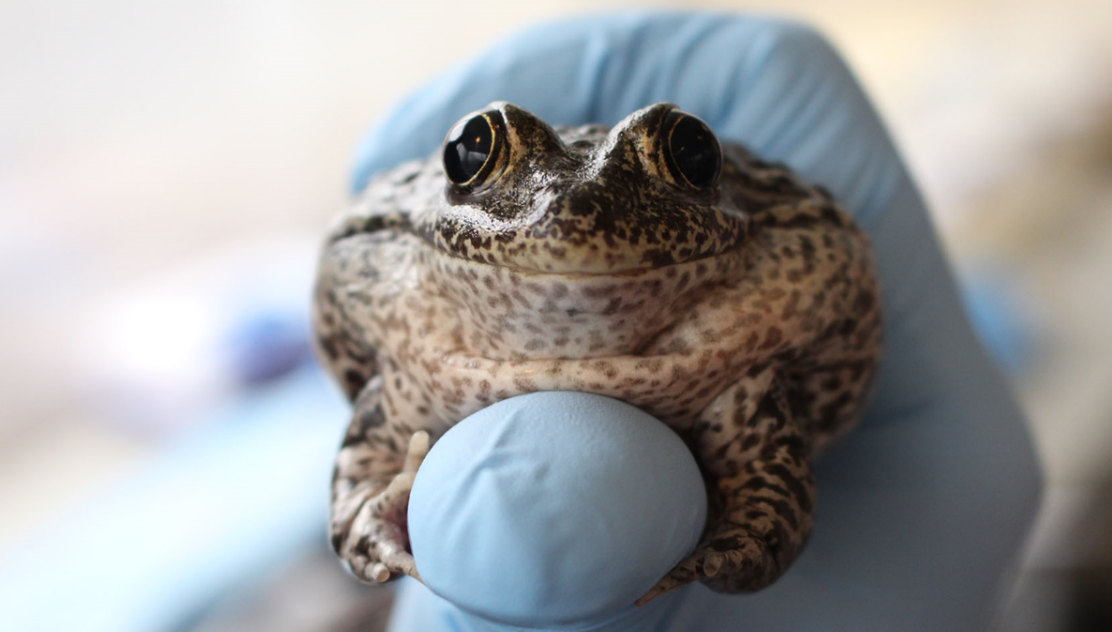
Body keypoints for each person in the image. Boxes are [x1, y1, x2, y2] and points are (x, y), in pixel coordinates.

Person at [349, 12, 1042, 631]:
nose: (566, 214)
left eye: (683, 156)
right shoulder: (407, 310)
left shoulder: (748, 342)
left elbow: (766, 530)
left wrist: (738, 546)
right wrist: (375, 529)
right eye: (479, 153)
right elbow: (358, 501)